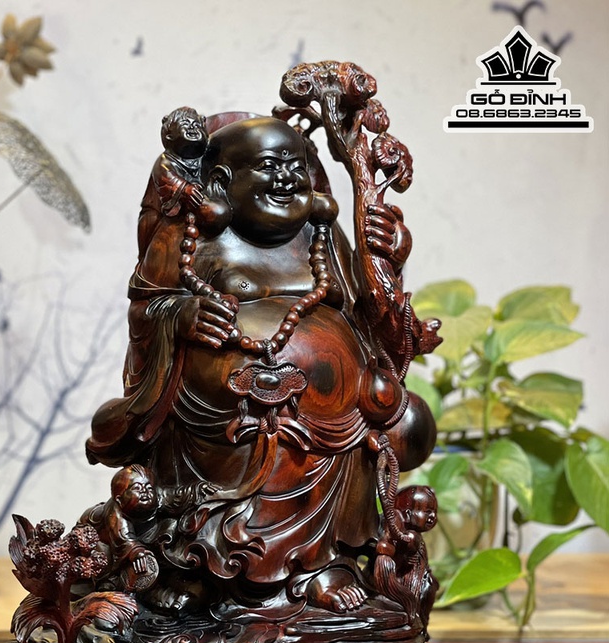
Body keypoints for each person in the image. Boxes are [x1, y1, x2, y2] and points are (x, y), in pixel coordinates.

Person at [87, 115, 434, 612]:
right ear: (222, 182)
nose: (287, 178)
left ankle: (321, 567)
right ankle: (200, 571)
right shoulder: (190, 236)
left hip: (329, 421)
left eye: (296, 165)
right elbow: (146, 307)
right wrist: (181, 315)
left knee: (348, 445)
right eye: (270, 166)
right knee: (207, 490)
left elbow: (369, 315)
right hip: (221, 419)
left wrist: (388, 259)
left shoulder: (321, 235)